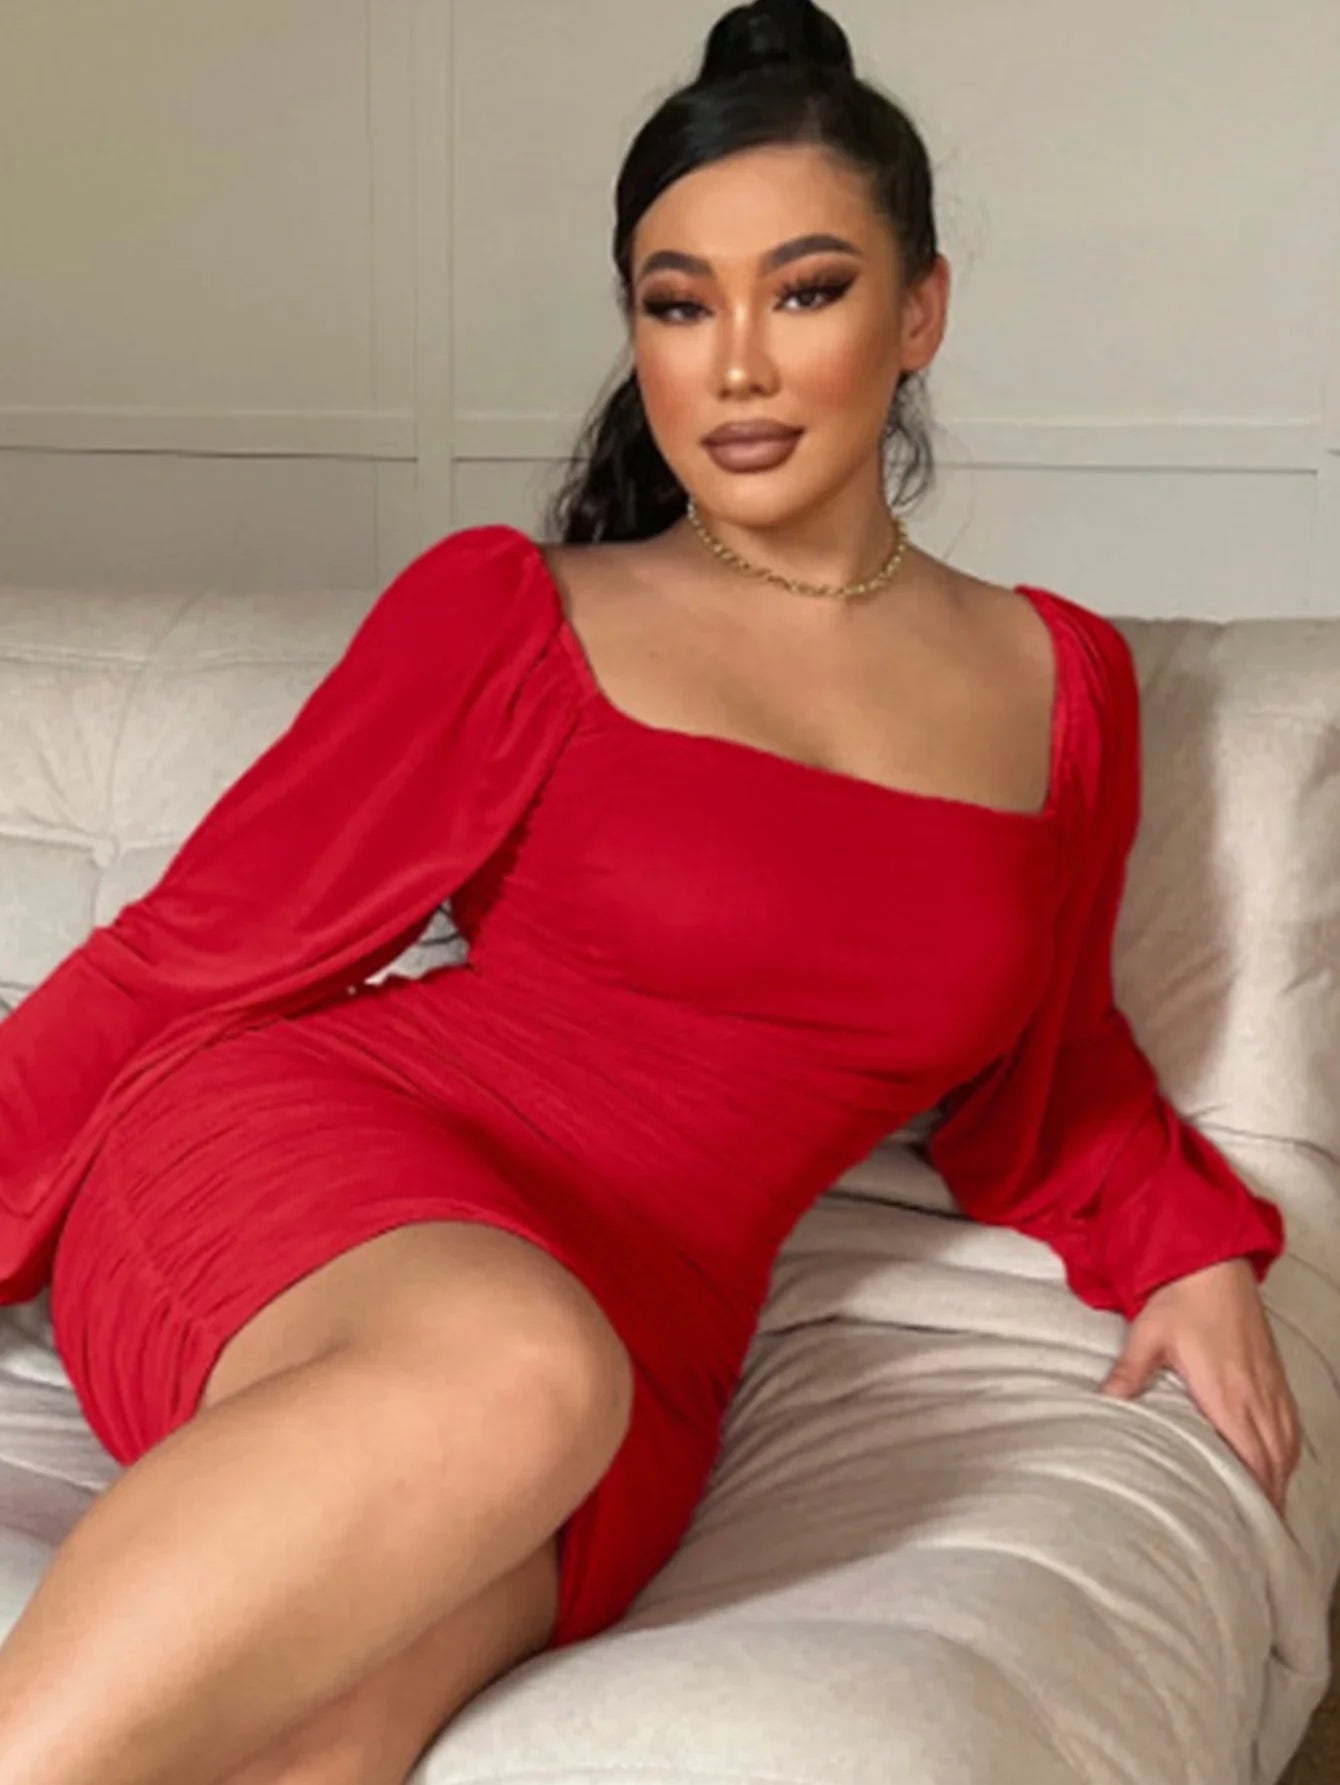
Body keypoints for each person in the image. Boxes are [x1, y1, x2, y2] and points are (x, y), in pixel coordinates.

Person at [0, 2, 1298, 1782]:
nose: (738, 364)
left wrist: (1189, 1247)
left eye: (807, 290)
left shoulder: (1061, 684)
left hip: (647, 1333)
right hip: (316, 1177)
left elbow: (1046, 1059)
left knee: (342, 1716)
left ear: (922, 311)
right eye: (678, 305)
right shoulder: (517, 614)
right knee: (517, 1375)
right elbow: (186, 958)